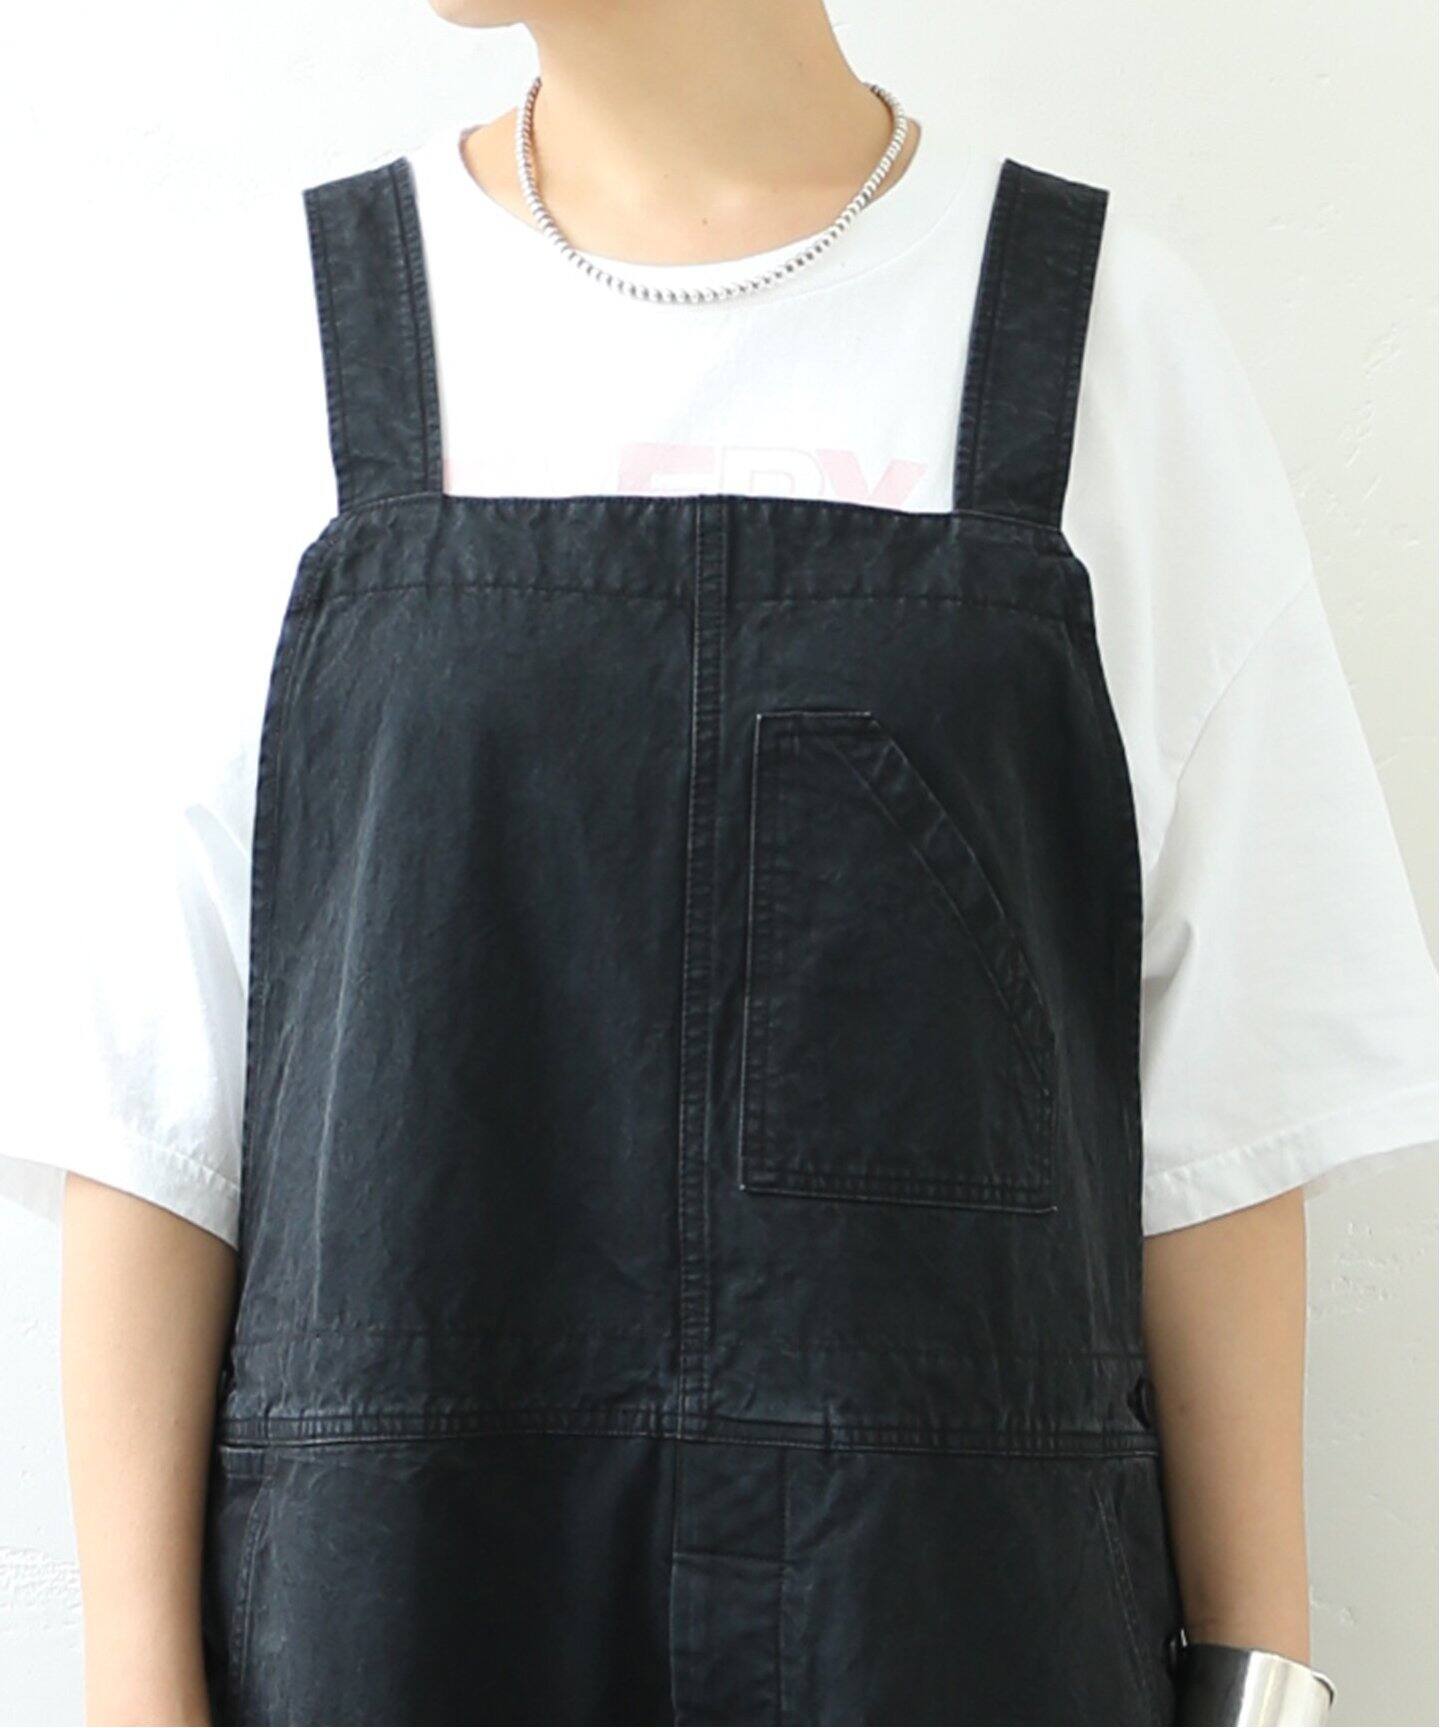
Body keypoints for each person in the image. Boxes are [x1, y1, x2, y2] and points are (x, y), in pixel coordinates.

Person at [5, 2, 1436, 1723]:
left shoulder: (1106, 343)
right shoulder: (278, 341)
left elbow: (1225, 1121)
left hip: (958, 1625)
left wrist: (1264, 1693)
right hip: (403, 1603)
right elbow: (157, 1115)